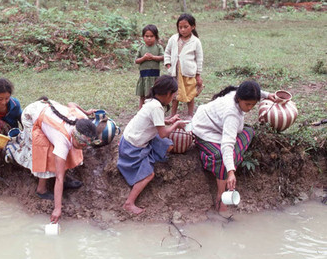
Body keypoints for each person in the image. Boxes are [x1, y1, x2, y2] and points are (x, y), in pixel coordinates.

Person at [5, 97, 98, 223]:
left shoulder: (83, 120)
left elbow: (71, 103)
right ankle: (41, 190)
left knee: (69, 150)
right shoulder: (61, 140)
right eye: (82, 145)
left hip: (49, 111)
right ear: (75, 136)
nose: (84, 148)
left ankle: (66, 181)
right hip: (31, 117)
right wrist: (57, 209)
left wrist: (86, 112)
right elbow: (58, 178)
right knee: (47, 151)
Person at [191, 80, 277, 211]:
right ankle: (221, 195)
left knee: (248, 132)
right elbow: (227, 145)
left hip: (219, 128)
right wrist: (231, 172)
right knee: (221, 155)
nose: (249, 108)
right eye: (247, 104)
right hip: (204, 130)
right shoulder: (232, 113)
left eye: (253, 105)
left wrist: (267, 94)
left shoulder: (237, 92)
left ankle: (229, 162)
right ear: (238, 98)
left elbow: (241, 88)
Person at [117, 75, 187, 215]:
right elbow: (162, 134)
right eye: (173, 94)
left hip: (133, 137)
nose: (173, 97)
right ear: (167, 93)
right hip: (132, 146)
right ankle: (129, 203)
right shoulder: (156, 108)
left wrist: (168, 120)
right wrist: (175, 125)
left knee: (168, 146)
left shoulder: (151, 102)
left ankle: (150, 155)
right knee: (149, 174)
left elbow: (155, 122)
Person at [164, 13, 203, 118]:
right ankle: (173, 115)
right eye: (180, 27)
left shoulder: (196, 42)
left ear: (193, 26)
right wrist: (168, 65)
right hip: (175, 73)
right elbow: (167, 52)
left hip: (189, 73)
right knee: (175, 95)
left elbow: (199, 59)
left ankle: (190, 115)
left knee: (190, 94)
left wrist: (198, 75)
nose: (183, 30)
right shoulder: (173, 39)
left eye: (186, 27)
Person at [135, 24, 164, 109]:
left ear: (156, 37)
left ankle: (155, 109)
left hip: (155, 76)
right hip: (144, 76)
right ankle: (141, 110)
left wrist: (153, 57)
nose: (149, 38)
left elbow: (163, 57)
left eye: (152, 36)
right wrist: (143, 58)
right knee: (143, 95)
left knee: (154, 95)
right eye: (146, 36)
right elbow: (136, 60)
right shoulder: (141, 48)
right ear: (143, 37)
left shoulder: (158, 47)